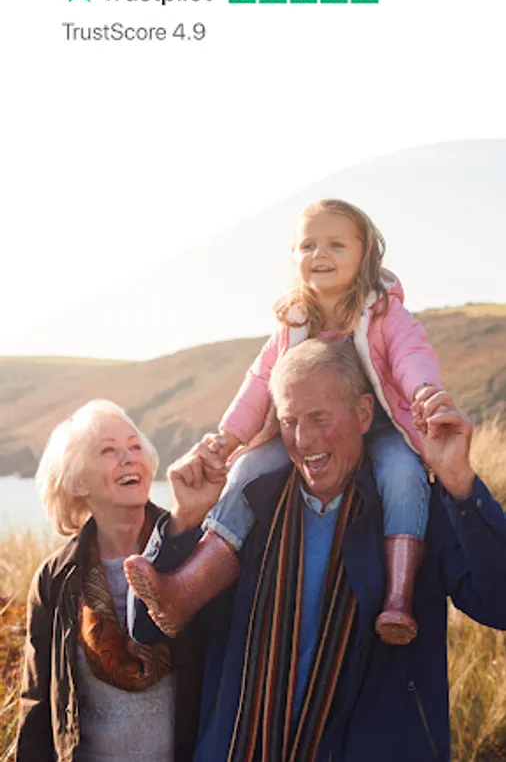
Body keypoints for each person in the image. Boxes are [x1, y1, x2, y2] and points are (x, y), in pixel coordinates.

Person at [127, 339, 506, 762]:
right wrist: (182, 521)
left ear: (364, 413)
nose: (303, 440)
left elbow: (499, 605)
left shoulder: (414, 514)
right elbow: (148, 628)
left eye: (319, 418)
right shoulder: (246, 509)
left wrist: (461, 483)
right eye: (289, 421)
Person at [126, 198, 443, 644]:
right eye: (308, 245)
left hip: (380, 426)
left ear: (366, 252)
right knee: (246, 469)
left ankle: (397, 598)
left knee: (403, 474)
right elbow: (260, 381)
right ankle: (185, 589)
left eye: (336, 244)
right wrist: (229, 437)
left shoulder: (384, 312)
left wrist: (424, 392)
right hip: (303, 429)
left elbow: (412, 354)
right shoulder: (292, 323)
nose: (320, 254)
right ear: (294, 257)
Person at [15, 400, 203, 762]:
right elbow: (37, 702)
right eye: (108, 450)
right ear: (78, 481)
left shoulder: (191, 552)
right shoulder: (55, 579)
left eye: (135, 447)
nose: (129, 458)